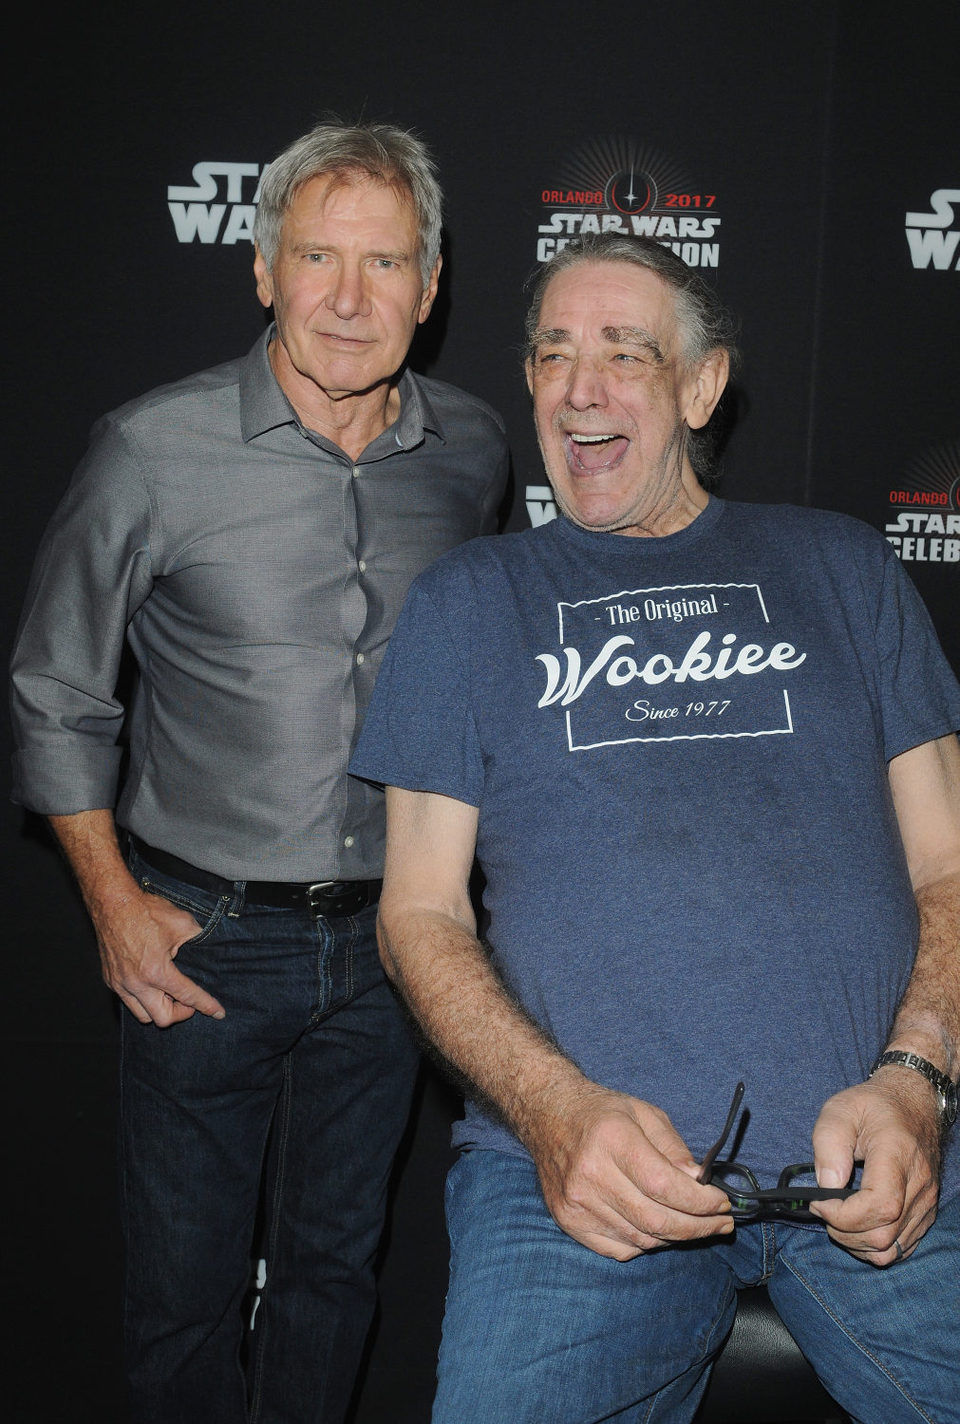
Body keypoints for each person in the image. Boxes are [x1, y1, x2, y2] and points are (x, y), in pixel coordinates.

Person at [349, 232, 960, 1424]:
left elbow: (951, 865)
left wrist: (918, 1080)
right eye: (553, 353)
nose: (580, 388)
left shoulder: (842, 566)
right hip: (572, 1181)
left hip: (875, 1164)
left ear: (702, 385)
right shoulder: (470, 603)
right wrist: (555, 1112)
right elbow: (416, 914)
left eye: (624, 353)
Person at [10, 119, 508, 1424]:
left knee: (337, 1277)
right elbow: (54, 688)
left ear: (433, 283)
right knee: (183, 1293)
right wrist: (114, 905)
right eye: (318, 257)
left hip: (401, 941)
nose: (350, 298)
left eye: (386, 262)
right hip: (205, 942)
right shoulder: (150, 449)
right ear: (262, 269)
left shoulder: (473, 452)